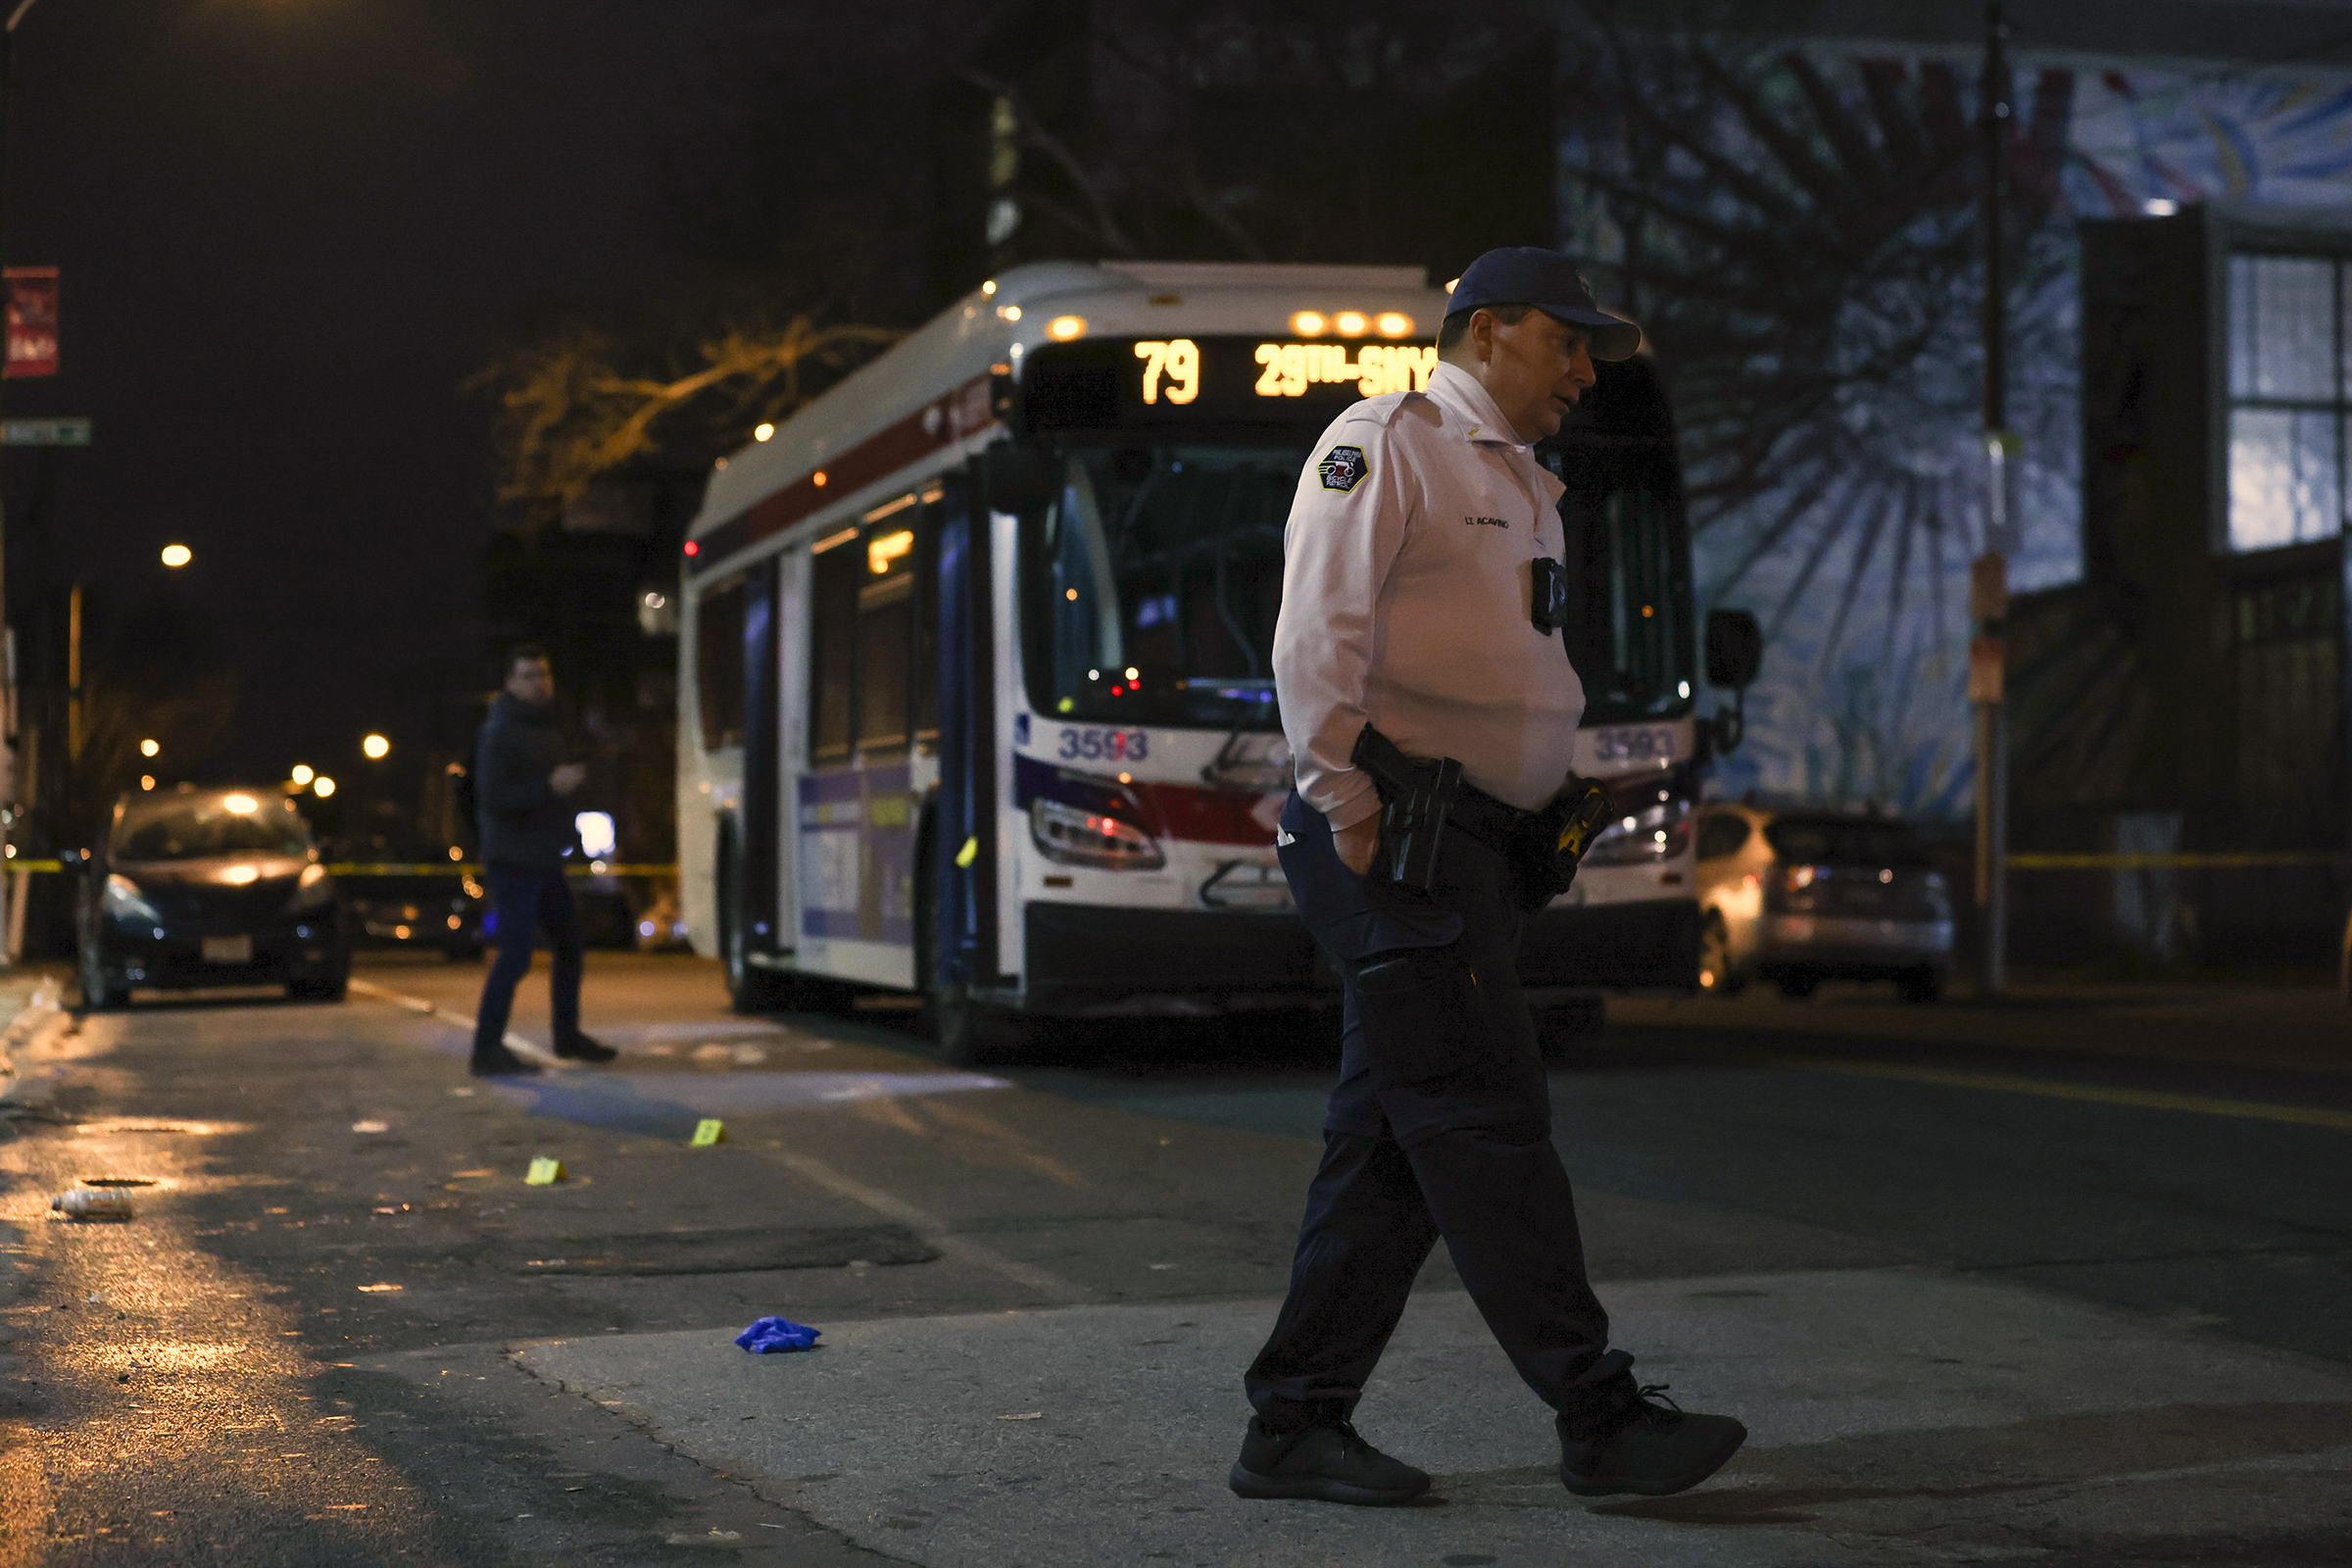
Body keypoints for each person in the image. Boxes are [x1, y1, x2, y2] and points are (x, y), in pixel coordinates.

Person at [1230, 248, 1745, 1506]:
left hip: (1467, 850)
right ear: (1490, 329)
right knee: (1487, 1121)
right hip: (1397, 840)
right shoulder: (1386, 443)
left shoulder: (1523, 479)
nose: (1583, 370)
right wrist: (1349, 805)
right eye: (1566, 342)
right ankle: (1598, 1413)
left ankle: (1294, 1423)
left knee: (1395, 1151)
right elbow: (1316, 638)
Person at [468, 644, 616, 1077]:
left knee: (570, 945)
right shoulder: (501, 730)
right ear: (511, 683)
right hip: (513, 859)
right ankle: (486, 1049)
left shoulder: (546, 726)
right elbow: (494, 797)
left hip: (543, 857)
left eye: (544, 674)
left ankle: (566, 1037)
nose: (540, 684)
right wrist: (550, 786)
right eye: (529, 676)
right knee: (515, 954)